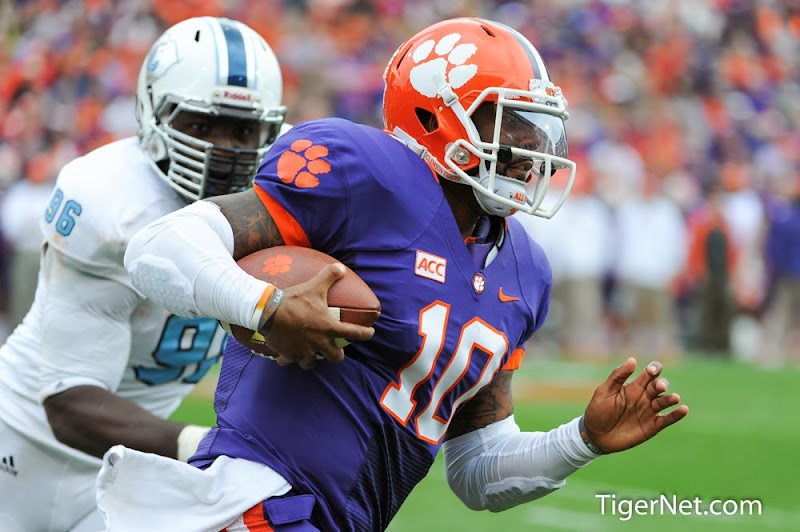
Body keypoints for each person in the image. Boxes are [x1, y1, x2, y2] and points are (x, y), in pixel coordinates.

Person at [102, 18, 688, 532]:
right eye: (507, 122)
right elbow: (157, 248)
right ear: (437, 113)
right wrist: (264, 306)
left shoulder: (525, 271)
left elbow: (477, 471)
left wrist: (578, 441)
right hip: (255, 500)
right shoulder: (366, 175)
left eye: (534, 129)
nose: (527, 148)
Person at [0, 16, 287, 532]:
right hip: (22, 448)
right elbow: (70, 403)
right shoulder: (114, 201)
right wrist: (204, 447)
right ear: (154, 114)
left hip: (131, 469)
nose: (224, 148)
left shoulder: (286, 195)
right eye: (201, 125)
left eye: (243, 129)